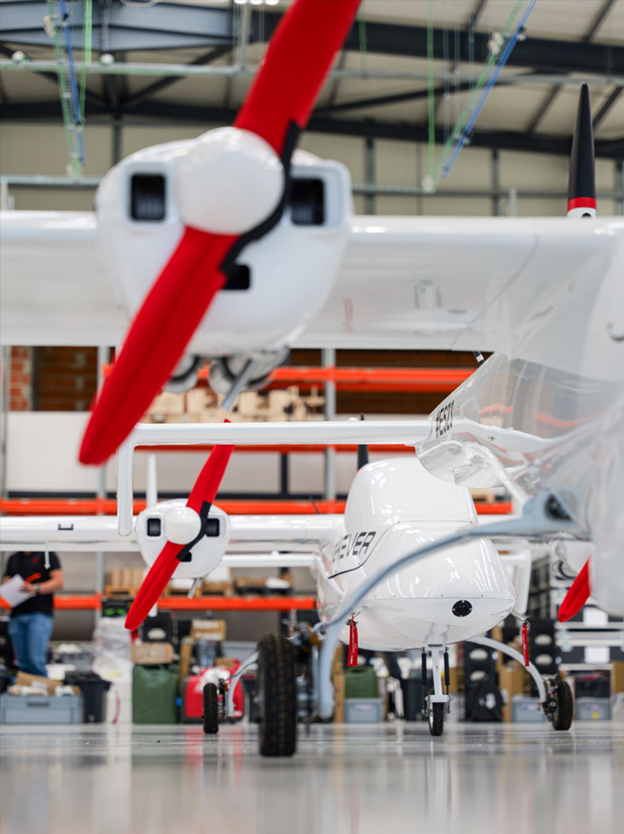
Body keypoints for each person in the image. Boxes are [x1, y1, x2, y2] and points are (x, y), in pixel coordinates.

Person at [2, 551, 64, 678]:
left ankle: (42, 693)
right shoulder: (14, 557)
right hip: (17, 615)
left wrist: (35, 588)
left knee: (36, 660)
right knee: (22, 661)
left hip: (39, 614)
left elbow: (58, 582)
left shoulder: (47, 555)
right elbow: (6, 579)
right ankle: (27, 691)